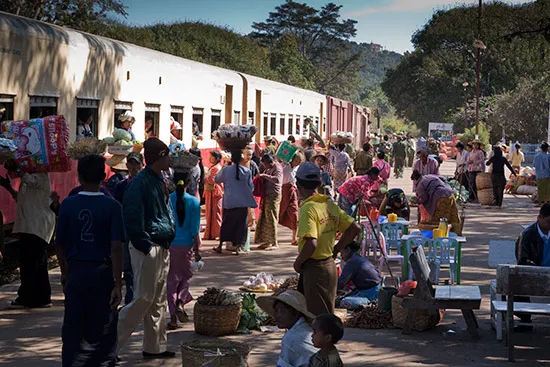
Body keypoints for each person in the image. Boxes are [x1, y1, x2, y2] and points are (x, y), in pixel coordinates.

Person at [56, 154, 125, 366]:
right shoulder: (112, 206)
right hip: (102, 272)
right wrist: (118, 282)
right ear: (104, 176)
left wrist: (65, 272)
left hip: (77, 271)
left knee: (74, 325)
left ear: (79, 177)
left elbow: (59, 243)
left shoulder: (68, 204)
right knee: (103, 327)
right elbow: (116, 247)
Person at [117, 138, 176, 360]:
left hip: (160, 245)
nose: (170, 159)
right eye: (167, 155)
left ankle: (155, 347)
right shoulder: (139, 183)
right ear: (159, 157)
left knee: (158, 300)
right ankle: (109, 347)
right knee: (143, 298)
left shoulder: (159, 179)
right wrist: (145, 245)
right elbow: (132, 218)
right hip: (148, 247)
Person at [294, 162, 361, 316]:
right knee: (325, 315)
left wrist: (298, 262)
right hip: (329, 266)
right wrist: (336, 249)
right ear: (318, 183)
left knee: (316, 318)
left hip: (314, 268)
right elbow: (354, 228)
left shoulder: (308, 208)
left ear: (298, 185)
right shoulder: (328, 204)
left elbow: (311, 243)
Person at [0, 161, 55, 308]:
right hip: (31, 225)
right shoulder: (29, 180)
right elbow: (23, 200)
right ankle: (42, 297)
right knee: (37, 263)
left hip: (36, 224)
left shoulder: (41, 175)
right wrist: (9, 188)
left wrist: (16, 168)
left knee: (30, 263)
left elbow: (29, 180)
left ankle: (27, 298)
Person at [166, 172, 201, 330]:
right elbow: (195, 230)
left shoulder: (168, 200)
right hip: (187, 246)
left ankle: (173, 318)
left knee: (171, 281)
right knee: (185, 277)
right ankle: (181, 301)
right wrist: (197, 250)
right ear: (188, 183)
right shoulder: (193, 202)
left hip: (170, 245)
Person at [113, 152, 144, 305]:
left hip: (144, 231)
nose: (133, 168)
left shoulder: (147, 185)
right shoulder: (121, 187)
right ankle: (131, 301)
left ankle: (141, 300)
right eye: (131, 164)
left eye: (136, 164)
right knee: (129, 268)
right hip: (126, 231)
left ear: (142, 165)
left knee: (143, 268)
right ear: (126, 166)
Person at [257, 290, 318, 367]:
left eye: (283, 311)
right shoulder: (307, 328)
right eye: (276, 311)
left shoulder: (291, 338)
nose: (278, 315)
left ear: (295, 314)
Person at [515, 203, 550, 330]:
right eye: (548, 222)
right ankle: (525, 319)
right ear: (539, 217)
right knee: (517, 281)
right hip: (534, 274)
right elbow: (522, 260)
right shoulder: (527, 235)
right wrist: (539, 271)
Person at [214, 149, 257, 254]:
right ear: (241, 159)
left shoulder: (226, 170)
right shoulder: (247, 171)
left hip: (229, 202)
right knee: (240, 225)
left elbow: (216, 179)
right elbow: (251, 187)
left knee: (226, 224)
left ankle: (220, 245)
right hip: (242, 202)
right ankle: (238, 247)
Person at [411, 171, 462, 235]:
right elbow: (442, 179)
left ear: (415, 179)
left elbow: (424, 198)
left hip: (440, 198)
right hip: (450, 193)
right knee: (453, 215)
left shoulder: (420, 184)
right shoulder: (429, 176)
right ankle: (457, 234)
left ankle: (442, 236)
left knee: (441, 220)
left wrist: (417, 201)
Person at [337, 241, 382, 310]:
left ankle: (368, 304)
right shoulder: (358, 258)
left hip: (371, 292)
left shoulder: (352, 262)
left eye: (342, 253)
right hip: (376, 289)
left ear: (348, 250)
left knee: (343, 302)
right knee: (347, 294)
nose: (341, 256)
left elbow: (341, 283)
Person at [256, 153, 283, 250]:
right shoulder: (268, 168)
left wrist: (264, 175)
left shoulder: (277, 168)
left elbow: (277, 180)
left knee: (271, 218)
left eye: (265, 164)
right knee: (265, 218)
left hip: (273, 196)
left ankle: (274, 242)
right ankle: (267, 241)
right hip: (267, 195)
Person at [280, 153, 304, 246]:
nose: (297, 163)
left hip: (292, 191)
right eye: (296, 161)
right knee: (279, 212)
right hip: (283, 191)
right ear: (292, 160)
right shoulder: (285, 166)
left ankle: (294, 238)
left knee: (294, 214)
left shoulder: (296, 169)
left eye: (299, 161)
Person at [203, 150, 223, 240]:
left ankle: (218, 233)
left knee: (216, 213)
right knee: (209, 213)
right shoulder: (213, 167)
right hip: (209, 192)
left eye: (212, 157)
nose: (210, 158)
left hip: (215, 193)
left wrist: (205, 177)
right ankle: (210, 234)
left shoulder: (217, 168)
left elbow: (213, 180)